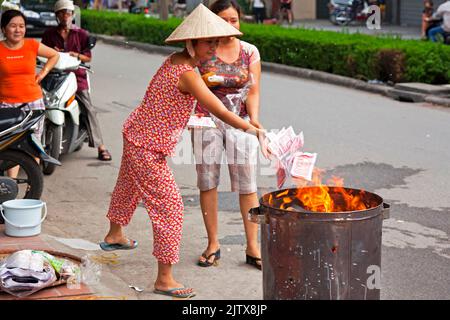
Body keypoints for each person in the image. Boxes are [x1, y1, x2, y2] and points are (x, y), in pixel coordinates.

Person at [99, 4, 267, 299]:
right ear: (191, 43)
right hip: (147, 144)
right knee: (171, 208)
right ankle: (164, 279)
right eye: (208, 42)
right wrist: (251, 128)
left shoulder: (176, 60)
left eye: (215, 42)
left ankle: (115, 234)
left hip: (137, 133)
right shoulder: (188, 73)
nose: (212, 48)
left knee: (127, 186)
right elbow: (216, 108)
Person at [192, 0, 264, 271]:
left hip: (240, 121)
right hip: (204, 121)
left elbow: (253, 90)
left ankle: (253, 246)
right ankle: (213, 244)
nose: (230, 25)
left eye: (234, 19)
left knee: (248, 185)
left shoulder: (250, 52)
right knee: (207, 181)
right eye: (223, 20)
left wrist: (254, 119)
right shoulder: (201, 49)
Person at [42, 0, 112, 161]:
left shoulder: (81, 34)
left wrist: (76, 55)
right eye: (61, 13)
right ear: (57, 16)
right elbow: (41, 53)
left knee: (88, 108)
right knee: (37, 103)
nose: (65, 16)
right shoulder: (49, 34)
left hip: (76, 75)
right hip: (53, 75)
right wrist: (52, 53)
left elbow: (88, 57)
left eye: (68, 12)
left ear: (72, 15)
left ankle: (101, 147)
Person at [0, 9, 59, 176]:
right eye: (13, 26)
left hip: (33, 103)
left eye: (21, 26)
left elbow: (54, 55)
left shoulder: (32, 45)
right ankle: (11, 188)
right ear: (4, 29)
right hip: (7, 105)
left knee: (33, 145)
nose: (18, 30)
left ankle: (32, 189)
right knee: (11, 147)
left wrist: (43, 73)